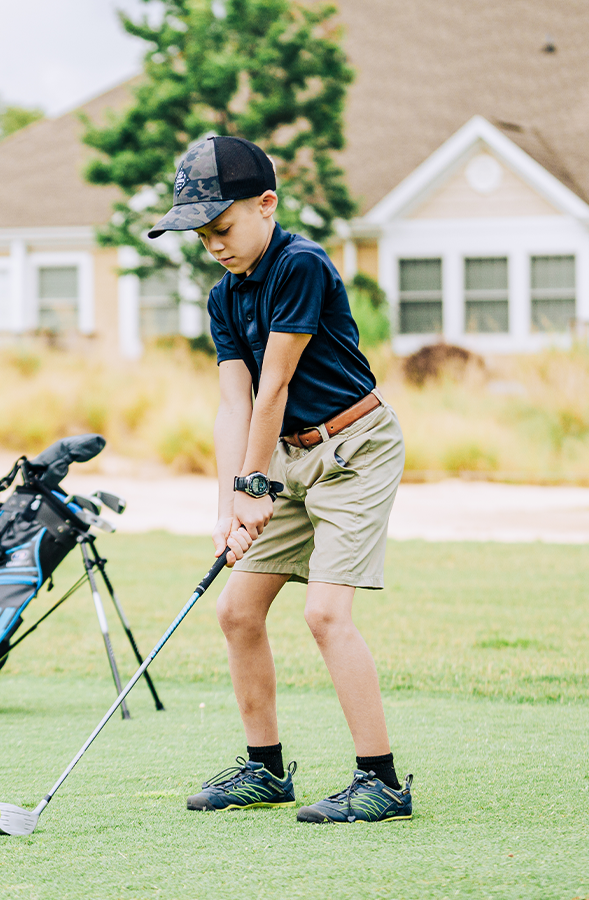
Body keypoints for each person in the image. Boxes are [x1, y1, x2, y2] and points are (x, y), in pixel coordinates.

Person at [146, 135, 411, 824]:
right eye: (202, 237)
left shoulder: (301, 265)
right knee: (236, 610)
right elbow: (233, 404)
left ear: (266, 204)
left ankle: (380, 781)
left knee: (325, 613)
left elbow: (276, 388)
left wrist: (253, 490)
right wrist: (226, 507)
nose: (215, 246)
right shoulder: (224, 299)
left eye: (223, 228)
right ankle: (265, 770)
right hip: (285, 457)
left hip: (353, 448)